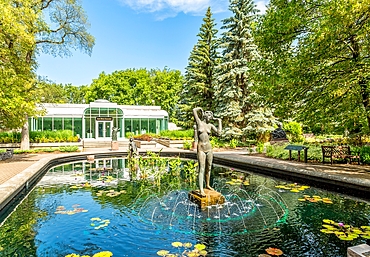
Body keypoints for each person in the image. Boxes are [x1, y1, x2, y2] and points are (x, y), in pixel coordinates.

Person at [193, 107, 222, 197]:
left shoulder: (210, 126)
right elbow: (194, 110)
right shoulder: (199, 123)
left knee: (209, 167)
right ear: (205, 115)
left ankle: (208, 185)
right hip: (201, 149)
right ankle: (201, 189)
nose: (210, 116)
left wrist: (219, 121)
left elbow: (219, 133)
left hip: (209, 149)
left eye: (211, 115)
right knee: (201, 168)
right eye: (209, 115)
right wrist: (200, 109)